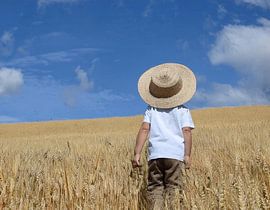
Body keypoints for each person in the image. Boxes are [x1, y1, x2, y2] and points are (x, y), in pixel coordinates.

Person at [132, 63, 196, 209]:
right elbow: (186, 131)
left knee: (155, 188)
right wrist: (187, 155)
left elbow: (144, 129)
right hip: (175, 154)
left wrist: (137, 153)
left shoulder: (151, 109)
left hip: (155, 155)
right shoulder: (182, 110)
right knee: (174, 187)